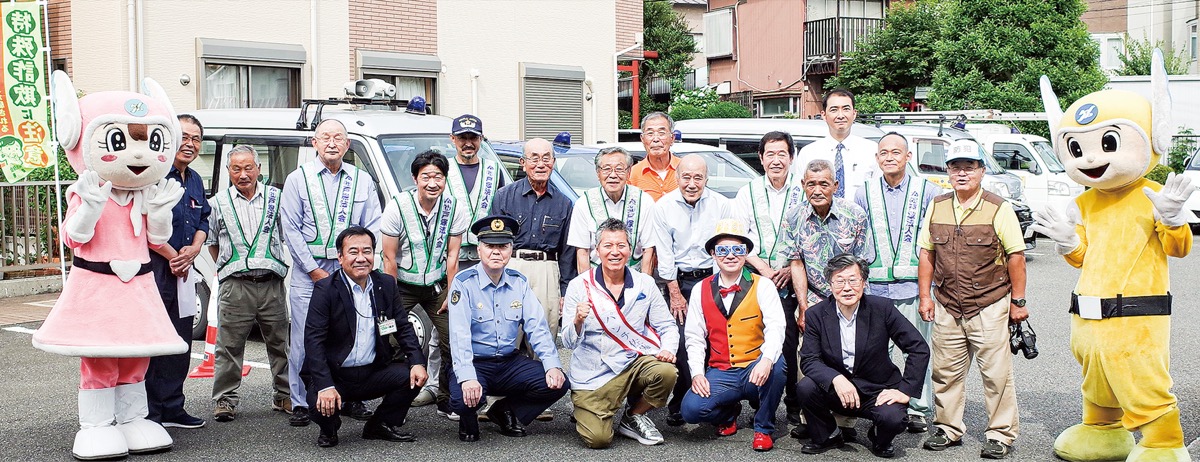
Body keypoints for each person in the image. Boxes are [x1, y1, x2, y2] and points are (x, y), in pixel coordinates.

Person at [917, 139, 1028, 459]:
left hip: (989, 302)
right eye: (955, 167)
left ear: (981, 171)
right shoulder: (937, 205)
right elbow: (927, 254)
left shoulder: (998, 207)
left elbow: (1016, 257)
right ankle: (947, 427)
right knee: (945, 372)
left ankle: (1001, 434)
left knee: (996, 374)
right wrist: (925, 297)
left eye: (969, 167)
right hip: (947, 304)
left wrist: (1018, 302)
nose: (962, 173)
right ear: (947, 172)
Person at [280, 118, 382, 427]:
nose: (332, 143)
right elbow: (291, 229)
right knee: (304, 337)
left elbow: (373, 224)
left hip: (350, 272)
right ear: (315, 143)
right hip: (308, 272)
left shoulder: (362, 180)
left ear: (348, 144)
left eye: (338, 137)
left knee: (351, 333)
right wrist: (313, 270)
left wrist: (360, 265)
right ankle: (301, 401)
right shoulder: (298, 179)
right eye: (325, 137)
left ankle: (351, 397)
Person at [302, 226, 428, 448]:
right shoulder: (326, 289)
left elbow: (402, 327)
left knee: (413, 375)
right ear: (340, 257)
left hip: (372, 371)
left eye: (367, 251)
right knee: (320, 406)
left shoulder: (385, 284)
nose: (361, 258)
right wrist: (325, 385)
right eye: (353, 252)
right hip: (336, 374)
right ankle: (330, 428)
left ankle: (380, 424)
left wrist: (418, 361)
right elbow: (314, 341)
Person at [446, 215, 568, 442]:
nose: (496, 252)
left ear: (511, 250)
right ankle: (468, 416)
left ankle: (504, 411)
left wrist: (552, 365)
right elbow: (459, 335)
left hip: (508, 363)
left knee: (558, 383)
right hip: (475, 362)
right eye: (489, 246)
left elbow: (537, 328)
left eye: (502, 246)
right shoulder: (463, 282)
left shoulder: (518, 282)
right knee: (463, 399)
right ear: (479, 249)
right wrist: (468, 377)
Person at [796, 254, 930, 459]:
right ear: (830, 285)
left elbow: (918, 348)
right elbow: (809, 359)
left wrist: (905, 390)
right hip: (838, 391)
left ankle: (878, 436)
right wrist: (836, 379)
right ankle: (829, 434)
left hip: (877, 390)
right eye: (839, 281)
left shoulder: (882, 308)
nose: (847, 288)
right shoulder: (816, 314)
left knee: (893, 419)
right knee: (806, 387)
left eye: (853, 280)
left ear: (864, 282)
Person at [560, 218, 678, 448]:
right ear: (597, 251)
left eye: (621, 245)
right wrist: (577, 321)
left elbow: (667, 325)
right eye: (608, 246)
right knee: (598, 439)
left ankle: (633, 415)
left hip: (631, 363)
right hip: (593, 374)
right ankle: (588, 408)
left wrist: (668, 349)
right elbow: (568, 342)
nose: (615, 252)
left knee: (666, 372)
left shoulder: (645, 283)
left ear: (630, 250)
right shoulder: (579, 285)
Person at [852, 132, 941, 434]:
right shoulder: (863, 193)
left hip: (913, 287)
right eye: (884, 153)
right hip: (875, 290)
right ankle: (882, 405)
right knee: (877, 353)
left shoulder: (927, 191)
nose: (889, 157)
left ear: (908, 156)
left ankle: (918, 408)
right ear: (877, 158)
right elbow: (858, 241)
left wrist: (929, 292)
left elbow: (934, 243)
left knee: (917, 349)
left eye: (896, 152)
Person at [680, 219, 786, 452]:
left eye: (737, 249)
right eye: (722, 250)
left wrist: (766, 360)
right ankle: (728, 414)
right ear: (713, 254)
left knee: (777, 366)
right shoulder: (700, 289)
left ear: (746, 253)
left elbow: (776, 327)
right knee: (691, 410)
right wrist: (697, 373)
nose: (730, 255)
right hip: (721, 369)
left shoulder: (763, 285)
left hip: (754, 366)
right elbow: (694, 336)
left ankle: (763, 428)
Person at [380, 150, 469, 417]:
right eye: (426, 176)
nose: (432, 183)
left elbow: (453, 256)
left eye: (438, 177)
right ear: (415, 178)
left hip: (436, 285)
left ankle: (446, 399)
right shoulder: (397, 206)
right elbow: (389, 258)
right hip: (402, 285)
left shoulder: (454, 207)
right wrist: (391, 298)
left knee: (452, 338)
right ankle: (394, 406)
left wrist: (452, 293)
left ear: (445, 179)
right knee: (393, 338)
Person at [206, 145, 291, 422]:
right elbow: (213, 243)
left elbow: (287, 235)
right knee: (229, 345)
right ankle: (225, 399)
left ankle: (284, 394)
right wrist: (233, 267)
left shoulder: (277, 198)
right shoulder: (218, 203)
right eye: (236, 169)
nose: (243, 174)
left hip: (271, 283)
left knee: (280, 342)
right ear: (228, 171)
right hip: (235, 285)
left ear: (258, 169)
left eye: (248, 168)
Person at [648, 154, 732, 426]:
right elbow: (665, 253)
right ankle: (682, 400)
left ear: (707, 179)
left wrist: (720, 287)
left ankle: (719, 401)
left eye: (698, 177)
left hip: (714, 278)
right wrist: (674, 293)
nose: (692, 183)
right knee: (684, 342)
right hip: (681, 282)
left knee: (716, 340)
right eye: (686, 177)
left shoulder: (721, 204)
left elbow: (725, 248)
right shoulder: (663, 206)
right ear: (677, 177)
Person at [733, 131, 807, 427]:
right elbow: (739, 237)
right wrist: (764, 269)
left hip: (794, 277)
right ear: (761, 158)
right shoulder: (747, 192)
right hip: (757, 278)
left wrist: (790, 268)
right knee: (757, 340)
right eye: (770, 154)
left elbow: (809, 234)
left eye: (782, 154)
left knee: (790, 344)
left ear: (792, 157)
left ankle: (794, 404)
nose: (776, 160)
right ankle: (760, 403)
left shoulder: (804, 189)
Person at [145, 113, 210, 429]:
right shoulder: (153, 175)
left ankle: (173, 407)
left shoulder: (195, 179)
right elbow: (142, 223)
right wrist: (173, 257)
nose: (190, 144)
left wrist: (195, 248)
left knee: (180, 340)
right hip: (155, 269)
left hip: (185, 271)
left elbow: (203, 219)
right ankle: (148, 412)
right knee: (152, 340)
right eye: (184, 136)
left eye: (196, 139)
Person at [490, 138, 574, 338]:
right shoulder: (504, 196)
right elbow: (493, 243)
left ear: (553, 162)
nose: (541, 164)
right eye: (534, 158)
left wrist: (566, 291)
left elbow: (567, 253)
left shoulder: (564, 203)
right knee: (506, 334)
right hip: (511, 266)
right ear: (523, 163)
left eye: (546, 158)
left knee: (544, 334)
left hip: (547, 271)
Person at [568, 146, 656, 274]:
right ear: (598, 173)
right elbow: (582, 252)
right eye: (606, 169)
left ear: (629, 172)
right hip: (597, 276)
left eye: (619, 169)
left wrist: (644, 283)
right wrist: (587, 285)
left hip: (634, 276)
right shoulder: (584, 203)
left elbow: (648, 249)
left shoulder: (644, 201)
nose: (613, 175)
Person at [792, 89, 879, 201]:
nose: (840, 115)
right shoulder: (808, 153)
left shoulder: (872, 150)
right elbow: (800, 195)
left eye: (846, 109)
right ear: (824, 115)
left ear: (854, 114)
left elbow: (877, 194)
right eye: (834, 110)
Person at [446, 114, 503, 268]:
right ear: (452, 139)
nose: (468, 143)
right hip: (449, 254)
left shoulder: (493, 170)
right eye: (462, 138)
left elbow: (501, 210)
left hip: (485, 254)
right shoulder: (443, 169)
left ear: (481, 139)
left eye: (473, 138)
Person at [629, 112, 680, 201]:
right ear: (642, 139)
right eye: (650, 133)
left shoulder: (686, 169)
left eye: (661, 133)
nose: (656, 139)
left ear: (672, 138)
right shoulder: (632, 175)